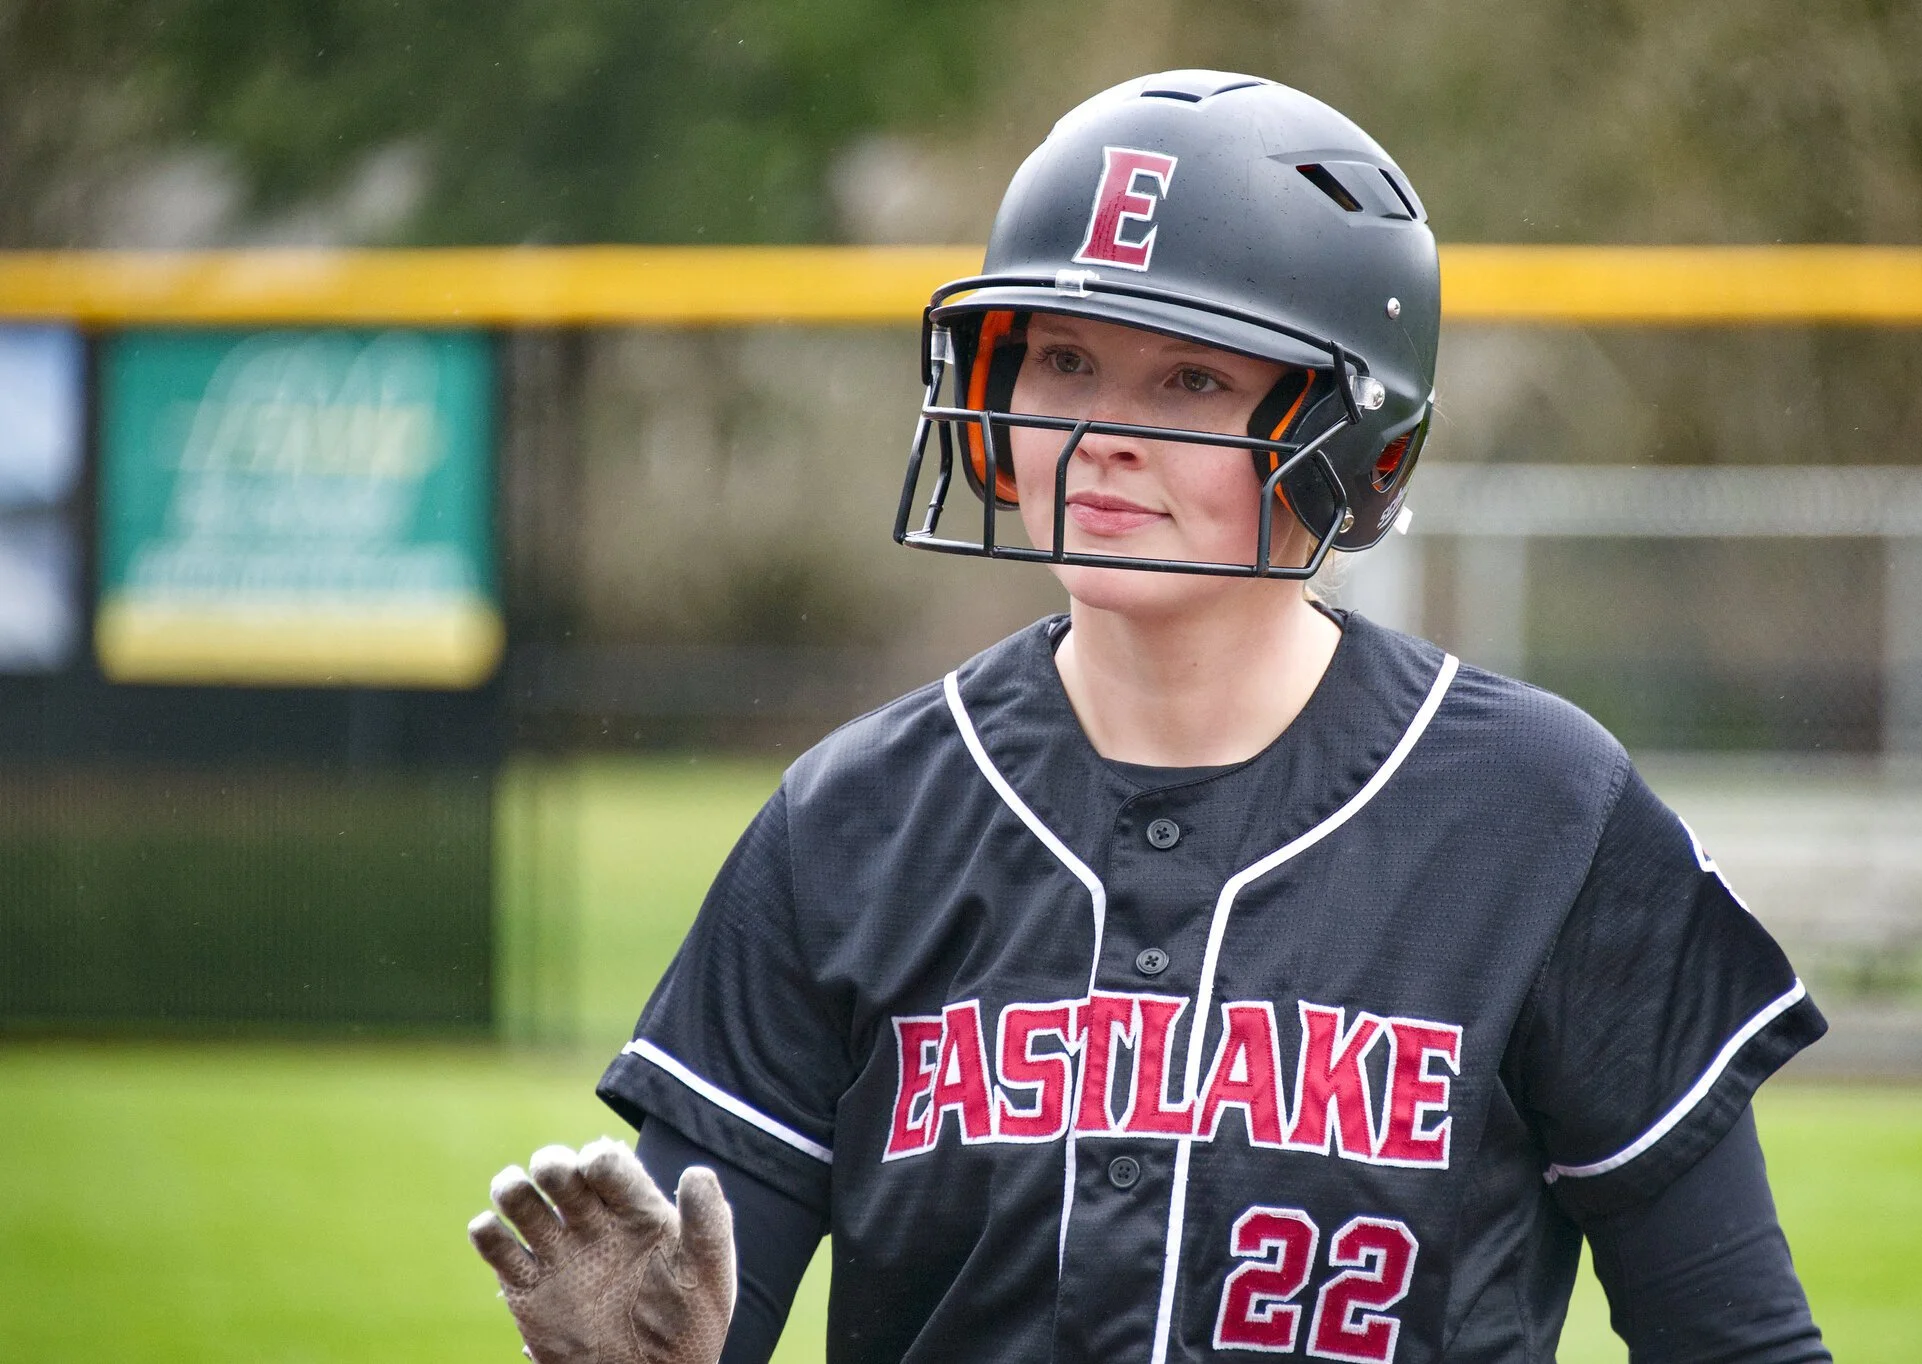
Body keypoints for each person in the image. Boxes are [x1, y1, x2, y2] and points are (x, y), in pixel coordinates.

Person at [472, 71, 1833, 1363]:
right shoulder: (851, 822)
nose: (1102, 433)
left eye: (1192, 377)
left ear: (1357, 438)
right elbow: (704, 1305)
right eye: (1063, 358)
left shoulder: (1542, 813)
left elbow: (1736, 1340)